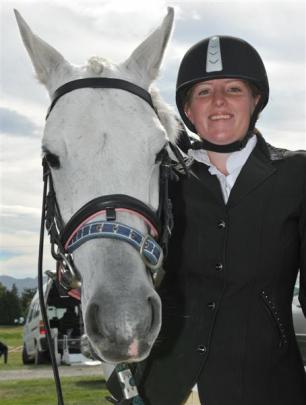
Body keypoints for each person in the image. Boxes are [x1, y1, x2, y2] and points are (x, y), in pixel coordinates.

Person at [134, 35, 306, 405]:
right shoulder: (159, 177)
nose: (219, 102)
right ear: (188, 110)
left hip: (269, 387)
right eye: (203, 92)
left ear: (256, 99)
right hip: (165, 388)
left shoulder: (298, 174)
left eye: (233, 89)